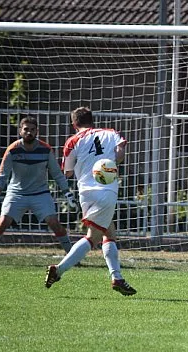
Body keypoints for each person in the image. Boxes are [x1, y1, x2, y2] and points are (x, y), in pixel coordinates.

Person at [44, 106, 136, 296]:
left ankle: (117, 277)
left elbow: (67, 172)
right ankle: (58, 269)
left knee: (108, 232)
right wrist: (108, 165)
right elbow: (120, 154)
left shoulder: (72, 141)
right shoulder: (111, 133)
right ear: (92, 120)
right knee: (92, 237)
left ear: (74, 124)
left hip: (85, 192)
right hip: (106, 191)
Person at [0, 116, 77, 264]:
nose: (29, 132)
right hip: (16, 193)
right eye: (26, 129)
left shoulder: (46, 150)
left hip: (40, 194)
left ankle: (73, 258)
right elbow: (2, 176)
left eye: (32, 130)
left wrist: (68, 193)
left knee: (54, 222)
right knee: (2, 222)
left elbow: (57, 174)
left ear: (37, 131)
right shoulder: (12, 150)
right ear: (20, 131)